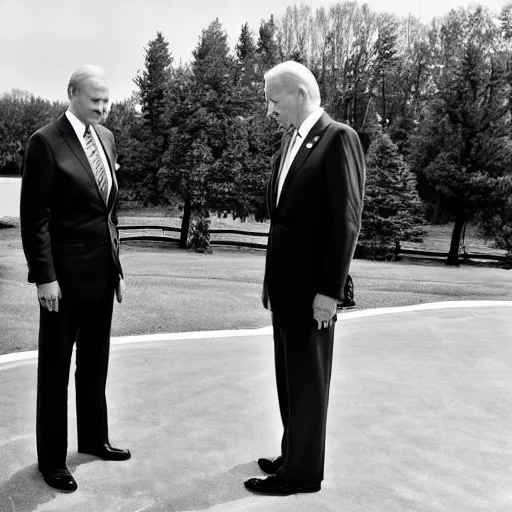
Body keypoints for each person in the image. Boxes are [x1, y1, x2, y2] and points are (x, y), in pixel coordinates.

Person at [244, 61, 365, 496]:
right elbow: (282, 223)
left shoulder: (338, 139)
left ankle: (301, 474)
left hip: (314, 292)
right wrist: (268, 280)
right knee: (288, 377)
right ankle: (293, 452)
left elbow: (345, 222)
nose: (268, 109)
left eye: (273, 100)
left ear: (298, 93)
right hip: (284, 288)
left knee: (309, 381)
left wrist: (329, 292)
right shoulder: (287, 145)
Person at [20, 65, 130, 493]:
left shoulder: (106, 139)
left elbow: (110, 212)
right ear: (72, 94)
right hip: (61, 284)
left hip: (102, 277)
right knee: (55, 369)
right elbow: (36, 217)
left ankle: (94, 438)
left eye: (106, 100)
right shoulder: (44, 142)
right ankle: (51, 459)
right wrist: (44, 277)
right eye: (94, 100)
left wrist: (118, 269)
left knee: (95, 362)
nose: (102, 108)